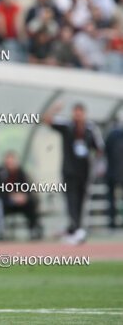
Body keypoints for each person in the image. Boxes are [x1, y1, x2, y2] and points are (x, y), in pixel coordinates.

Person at [43, 102, 104, 244]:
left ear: (84, 113)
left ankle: (75, 228)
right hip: (69, 171)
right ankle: (76, 229)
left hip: (84, 171)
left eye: (80, 112)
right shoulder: (66, 126)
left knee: (81, 201)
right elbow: (45, 120)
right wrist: (54, 109)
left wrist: (97, 165)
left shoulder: (90, 128)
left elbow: (99, 148)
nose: (77, 115)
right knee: (71, 200)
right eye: (75, 112)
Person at [0, 151, 42, 241]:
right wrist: (11, 196)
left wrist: (23, 196)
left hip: (19, 203)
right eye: (9, 160)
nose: (11, 162)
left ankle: (34, 229)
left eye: (12, 160)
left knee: (31, 201)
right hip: (4, 202)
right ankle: (1, 233)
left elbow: (27, 187)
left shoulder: (20, 172)